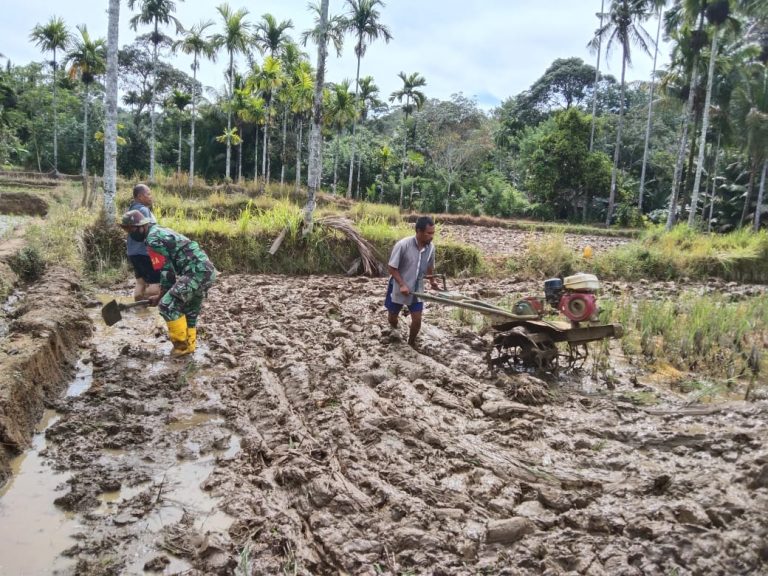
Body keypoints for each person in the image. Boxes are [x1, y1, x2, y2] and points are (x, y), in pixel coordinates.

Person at [119, 210, 217, 357]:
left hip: (196, 272)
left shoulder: (153, 240)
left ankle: (181, 348)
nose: (129, 233)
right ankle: (189, 347)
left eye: (131, 229)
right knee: (189, 309)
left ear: (141, 227)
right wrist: (161, 294)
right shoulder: (159, 230)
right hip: (206, 271)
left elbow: (167, 273)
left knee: (166, 305)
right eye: (126, 230)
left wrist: (160, 296)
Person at [385, 215, 440, 346]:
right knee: (393, 316)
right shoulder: (403, 245)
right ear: (419, 231)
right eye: (429, 233)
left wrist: (432, 281)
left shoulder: (431, 248)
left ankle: (411, 343)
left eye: (433, 233)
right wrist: (402, 284)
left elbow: (429, 266)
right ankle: (394, 327)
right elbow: (392, 268)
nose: (432, 236)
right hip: (399, 287)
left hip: (417, 289)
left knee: (417, 319)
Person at [126, 184, 161, 301]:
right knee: (155, 284)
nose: (151, 197)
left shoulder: (131, 210)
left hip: (132, 252)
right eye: (148, 194)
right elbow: (150, 231)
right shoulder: (143, 210)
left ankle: (138, 311)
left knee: (140, 282)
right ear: (140, 196)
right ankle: (147, 305)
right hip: (146, 253)